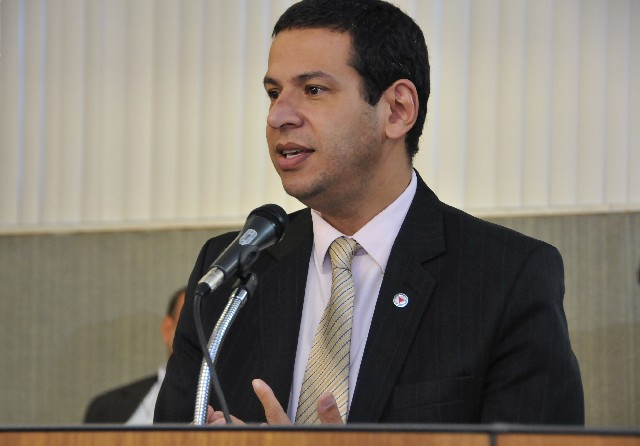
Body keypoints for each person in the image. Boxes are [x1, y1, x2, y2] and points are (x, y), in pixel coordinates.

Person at [154, 0, 584, 425]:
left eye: (313, 89)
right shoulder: (229, 273)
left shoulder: (506, 276)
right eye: (273, 93)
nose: (278, 116)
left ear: (397, 110)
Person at [84, 287, 185, 424]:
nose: (204, 334)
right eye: (192, 322)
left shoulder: (217, 409)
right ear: (167, 329)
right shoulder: (106, 408)